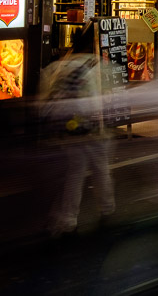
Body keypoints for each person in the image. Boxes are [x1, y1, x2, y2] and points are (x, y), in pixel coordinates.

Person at [43, 26, 114, 236]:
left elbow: (46, 95)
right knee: (101, 169)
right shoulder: (94, 67)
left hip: (67, 129)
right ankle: (107, 209)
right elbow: (93, 103)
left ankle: (68, 219)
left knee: (75, 172)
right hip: (90, 129)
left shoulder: (60, 66)